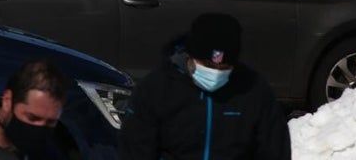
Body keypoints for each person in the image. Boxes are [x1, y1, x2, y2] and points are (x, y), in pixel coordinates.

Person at [119, 12, 291, 160]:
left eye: (224, 68)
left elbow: (273, 150)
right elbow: (136, 149)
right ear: (190, 56)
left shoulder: (254, 91)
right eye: (207, 65)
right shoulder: (157, 88)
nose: (215, 72)